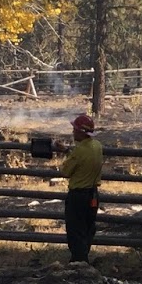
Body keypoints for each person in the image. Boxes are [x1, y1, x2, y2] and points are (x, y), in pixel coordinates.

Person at [59, 113, 104, 263]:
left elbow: (65, 171)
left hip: (78, 195)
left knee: (75, 230)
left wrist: (66, 155)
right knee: (88, 228)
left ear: (80, 132)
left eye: (75, 129)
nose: (73, 132)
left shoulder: (79, 151)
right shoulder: (97, 146)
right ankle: (83, 258)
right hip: (93, 195)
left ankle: (79, 263)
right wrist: (67, 151)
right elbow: (82, 158)